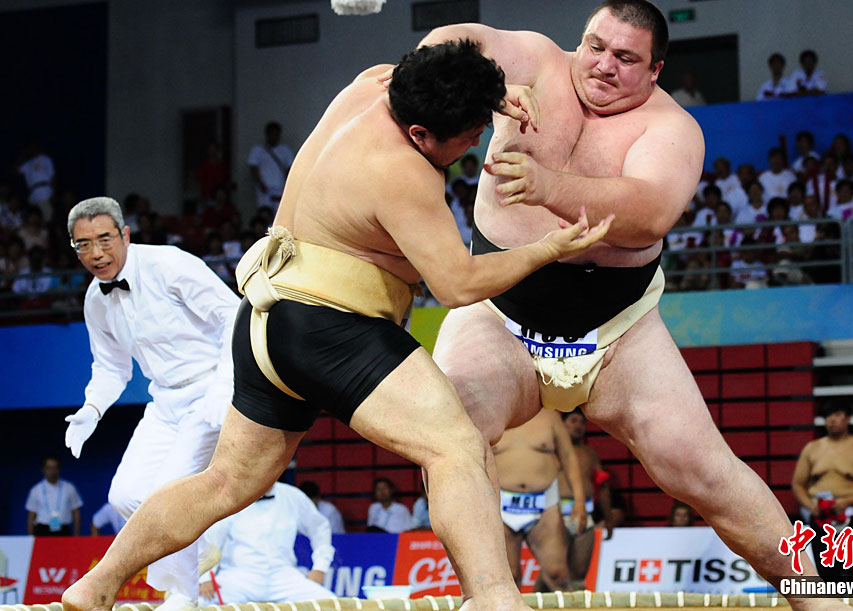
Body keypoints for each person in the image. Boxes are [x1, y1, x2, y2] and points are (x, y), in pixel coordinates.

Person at [63, 40, 611, 611]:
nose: (476, 142)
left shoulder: (372, 83)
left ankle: (96, 583)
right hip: (331, 327)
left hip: (264, 321)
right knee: (456, 447)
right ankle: (495, 598)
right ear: (421, 134)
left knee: (224, 482)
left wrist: (492, 93)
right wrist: (548, 249)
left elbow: (434, 64)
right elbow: (458, 285)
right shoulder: (403, 171)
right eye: (469, 134)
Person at [413, 4, 848, 607]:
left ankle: (819, 598)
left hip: (618, 331)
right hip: (497, 314)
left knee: (707, 473)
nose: (604, 66)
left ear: (655, 69)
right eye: (596, 47)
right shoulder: (535, 61)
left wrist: (549, 187)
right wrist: (474, 83)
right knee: (449, 437)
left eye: (625, 58)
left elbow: (649, 214)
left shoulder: (672, 127)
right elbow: (445, 43)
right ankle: (491, 596)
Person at [62, 196, 239, 611]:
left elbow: (233, 314)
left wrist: (226, 383)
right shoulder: (95, 299)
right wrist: (91, 410)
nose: (96, 253)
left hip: (211, 389)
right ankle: (203, 544)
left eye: (104, 239)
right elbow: (111, 368)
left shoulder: (169, 264)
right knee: (125, 495)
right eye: (83, 244)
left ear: (125, 234)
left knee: (167, 494)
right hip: (163, 401)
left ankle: (183, 594)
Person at [791, 401, 853, 583]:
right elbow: (798, 484)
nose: (832, 420)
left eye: (837, 415)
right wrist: (811, 506)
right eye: (828, 416)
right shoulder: (812, 449)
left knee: (852, 572)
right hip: (821, 515)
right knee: (825, 572)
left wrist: (847, 502)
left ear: (847, 418)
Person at [493, 409, 586, 591]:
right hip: (500, 504)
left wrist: (580, 500)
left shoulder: (550, 417)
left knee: (557, 573)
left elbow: (568, 456)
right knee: (509, 577)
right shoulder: (492, 415)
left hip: (545, 504)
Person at [199, 482, 335, 604]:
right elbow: (211, 539)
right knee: (198, 604)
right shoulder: (231, 497)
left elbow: (319, 528)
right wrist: (205, 577)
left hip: (284, 576)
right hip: (239, 576)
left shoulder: (292, 496)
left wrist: (320, 567)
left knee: (332, 604)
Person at [558, 409, 624, 586]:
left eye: (582, 422)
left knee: (579, 573)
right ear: (562, 424)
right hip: (557, 515)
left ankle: (575, 601)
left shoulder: (590, 454)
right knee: (555, 571)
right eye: (573, 421)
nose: (578, 426)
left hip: (585, 516)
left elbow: (603, 487)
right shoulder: (552, 451)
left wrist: (608, 519)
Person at [25, 455, 82, 536]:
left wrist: (77, 535)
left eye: (55, 468)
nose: (52, 471)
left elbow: (76, 512)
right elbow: (31, 515)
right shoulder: (36, 490)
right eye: (49, 468)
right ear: (43, 469)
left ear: (59, 469)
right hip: (43, 530)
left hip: (63, 530)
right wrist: (30, 537)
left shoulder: (69, 487)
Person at [248, 121, 294, 211]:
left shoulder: (285, 150)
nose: (274, 137)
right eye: (271, 134)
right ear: (267, 134)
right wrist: (260, 184)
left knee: (279, 212)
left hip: (280, 188)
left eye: (276, 134)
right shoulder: (258, 150)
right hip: (264, 189)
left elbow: (290, 168)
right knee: (264, 212)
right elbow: (253, 167)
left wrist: (288, 186)